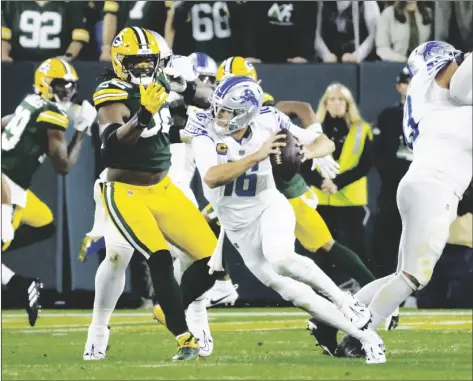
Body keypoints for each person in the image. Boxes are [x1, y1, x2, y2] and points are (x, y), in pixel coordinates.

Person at [186, 75, 386, 365]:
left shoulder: (269, 120)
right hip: (237, 227)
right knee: (296, 295)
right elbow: (212, 177)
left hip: (268, 206)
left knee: (281, 257)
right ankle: (369, 339)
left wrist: (304, 152)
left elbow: (324, 142)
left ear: (245, 113)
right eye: (219, 108)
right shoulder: (205, 127)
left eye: (227, 111)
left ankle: (346, 300)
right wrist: (258, 155)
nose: (219, 115)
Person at [83, 26, 224, 362]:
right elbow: (111, 147)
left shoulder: (159, 82)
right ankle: (178, 336)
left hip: (163, 188)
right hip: (124, 190)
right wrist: (144, 113)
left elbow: (207, 101)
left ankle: (167, 308)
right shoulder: (111, 90)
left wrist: (185, 87)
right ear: (120, 62)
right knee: (146, 257)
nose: (145, 69)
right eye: (137, 62)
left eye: (151, 62)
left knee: (214, 261)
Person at [339, 41, 472, 358]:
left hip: (419, 183)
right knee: (414, 277)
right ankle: (360, 338)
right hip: (435, 187)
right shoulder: (444, 87)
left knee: (402, 275)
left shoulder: (427, 95)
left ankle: (337, 316)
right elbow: (462, 75)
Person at [1, 57, 93, 326]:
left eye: (71, 86)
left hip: (14, 185)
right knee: (8, 235)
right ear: (45, 83)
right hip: (7, 184)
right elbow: (63, 166)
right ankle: (20, 283)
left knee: (45, 223)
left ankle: (12, 269)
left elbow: (6, 121)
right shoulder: (52, 113)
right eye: (61, 85)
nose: (67, 91)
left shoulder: (30, 102)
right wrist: (82, 132)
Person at [301, 83, 375, 278]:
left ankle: (369, 288)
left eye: (341, 99)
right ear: (325, 104)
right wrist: (321, 183)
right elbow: (303, 163)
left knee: (358, 248)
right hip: (321, 200)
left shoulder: (362, 129)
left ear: (348, 104)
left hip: (350, 201)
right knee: (319, 249)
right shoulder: (312, 131)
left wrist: (337, 183)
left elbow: (365, 164)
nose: (336, 103)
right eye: (332, 99)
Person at [372, 67, 412, 278]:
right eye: (406, 82)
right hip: (393, 186)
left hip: (422, 185)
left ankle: (419, 289)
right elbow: (377, 153)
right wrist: (391, 172)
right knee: (387, 236)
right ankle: (386, 284)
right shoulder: (388, 116)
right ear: (399, 86)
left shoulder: (433, 116)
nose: (410, 86)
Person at [1, 1, 89, 62]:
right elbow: (4, 37)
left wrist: (68, 56)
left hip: (56, 67)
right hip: (19, 64)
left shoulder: (69, 4)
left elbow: (79, 37)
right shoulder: (13, 3)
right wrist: (3, 55)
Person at [99, 1, 170, 61]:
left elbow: (110, 17)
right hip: (153, 46)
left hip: (126, 46)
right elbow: (171, 20)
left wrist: (106, 47)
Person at [315, 1, 380, 63]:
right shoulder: (320, 3)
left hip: (362, 60)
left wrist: (357, 56)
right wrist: (326, 55)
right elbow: (314, 34)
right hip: (328, 59)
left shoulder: (368, 3)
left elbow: (374, 35)